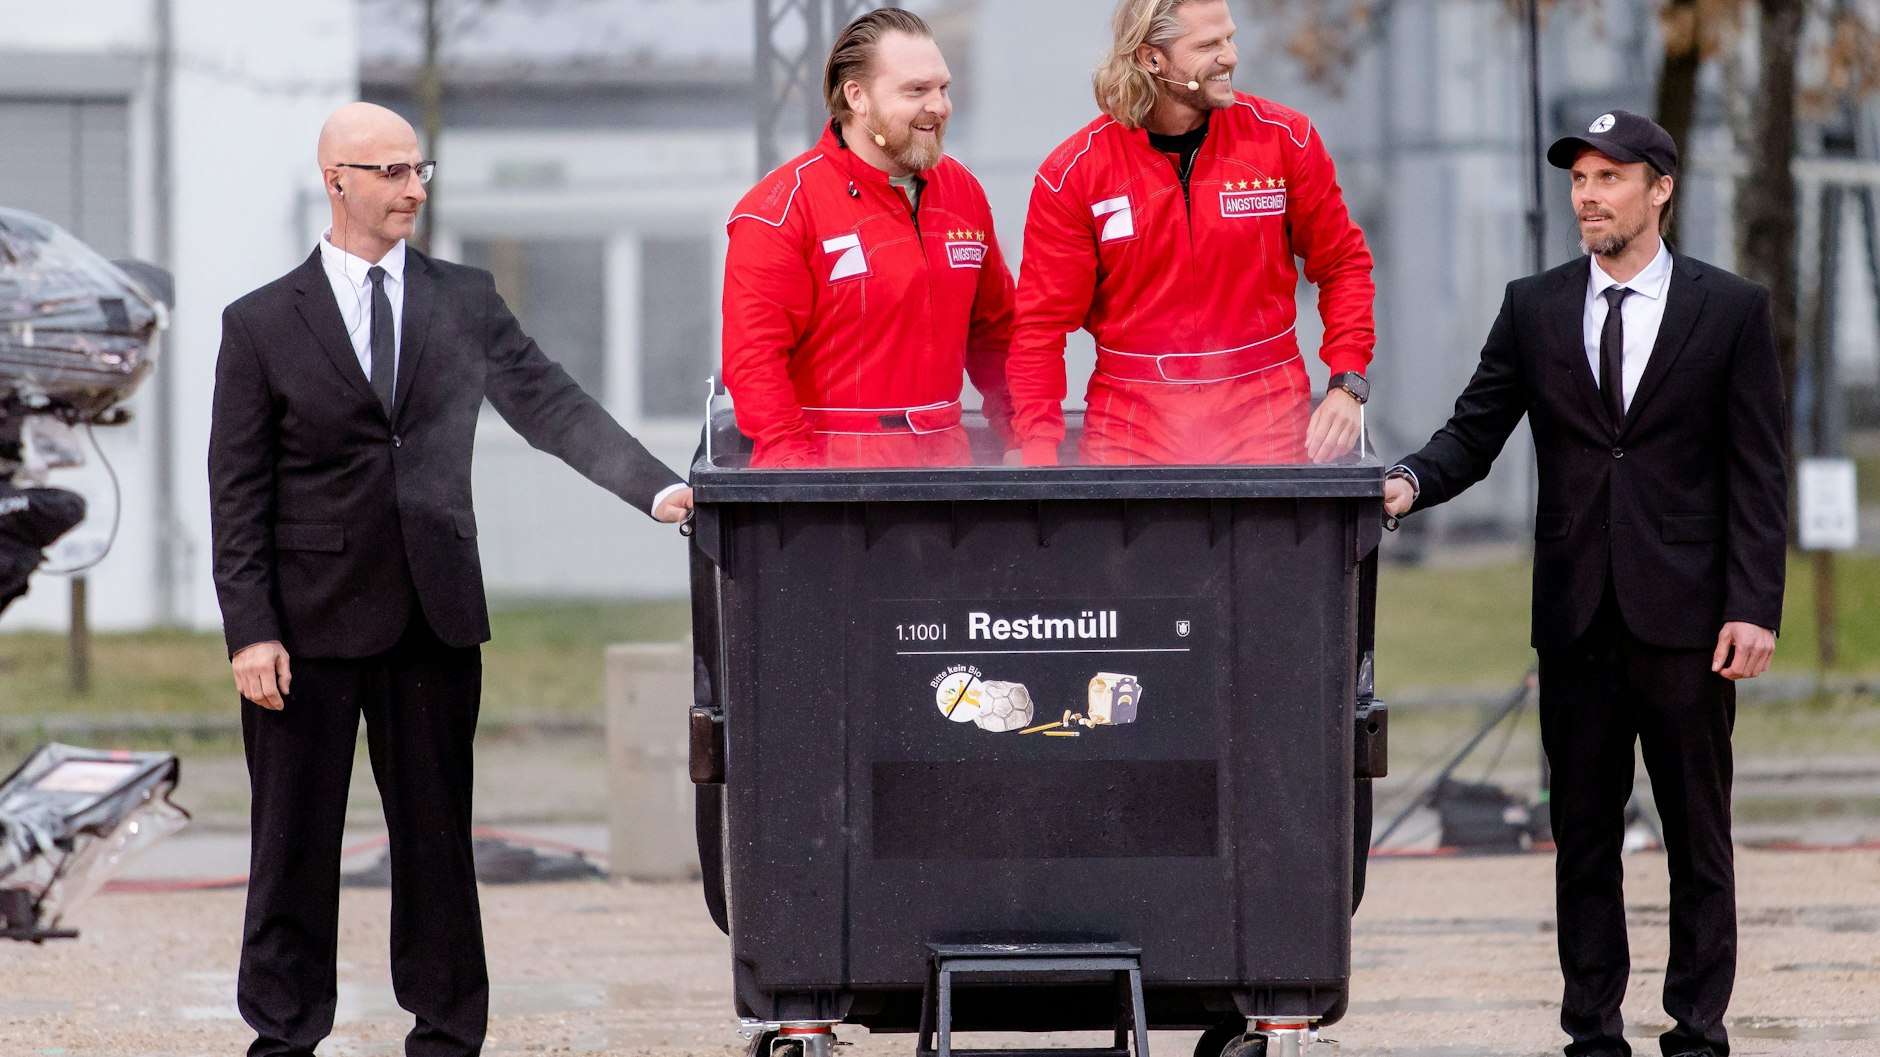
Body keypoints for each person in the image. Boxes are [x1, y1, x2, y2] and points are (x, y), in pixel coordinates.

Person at [209, 102, 691, 1057]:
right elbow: (236, 490)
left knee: (436, 844)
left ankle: (445, 1033)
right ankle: (283, 1033)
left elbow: (549, 402)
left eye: (418, 169)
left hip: (433, 617)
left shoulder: (462, 299)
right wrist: (249, 628)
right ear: (336, 180)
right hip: (301, 631)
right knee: (290, 849)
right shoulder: (260, 322)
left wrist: (656, 487)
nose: (413, 188)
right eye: (389, 172)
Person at [1384, 110, 1787, 1057]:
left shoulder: (1729, 310)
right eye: (1579, 180)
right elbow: (1472, 433)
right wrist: (1403, 483)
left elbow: (1757, 474)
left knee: (1698, 839)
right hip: (1574, 619)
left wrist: (1753, 606)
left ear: (1661, 190)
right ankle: (1592, 1032)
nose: (1590, 196)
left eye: (1611, 178)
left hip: (1689, 619)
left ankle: (1696, 1029)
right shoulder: (1534, 306)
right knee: (1584, 839)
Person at [1005, 0, 1375, 467]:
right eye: (1208, 45)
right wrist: (1038, 449)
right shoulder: (1074, 174)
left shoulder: (1285, 139)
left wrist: (1348, 381)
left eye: (1229, 37)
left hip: (1267, 423)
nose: (1231, 56)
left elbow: (1343, 264)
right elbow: (1040, 328)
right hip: (1131, 434)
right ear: (1151, 58)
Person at [721, 7, 1016, 468]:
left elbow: (997, 334)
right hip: (834, 485)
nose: (938, 106)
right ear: (857, 97)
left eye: (943, 88)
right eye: (916, 90)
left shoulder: (963, 190)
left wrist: (1026, 439)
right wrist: (801, 487)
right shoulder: (781, 209)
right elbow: (756, 367)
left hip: (949, 474)